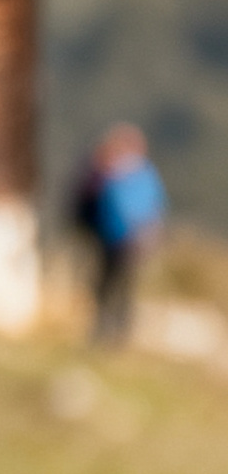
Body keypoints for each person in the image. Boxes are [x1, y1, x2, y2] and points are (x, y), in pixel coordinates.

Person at [73, 123, 167, 346]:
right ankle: (114, 333)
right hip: (128, 240)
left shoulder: (113, 176)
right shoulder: (142, 174)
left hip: (120, 240)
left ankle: (109, 333)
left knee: (110, 286)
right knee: (118, 287)